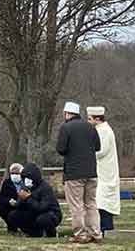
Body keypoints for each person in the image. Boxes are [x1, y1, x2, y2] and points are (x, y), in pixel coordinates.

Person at [56, 101, 102, 243]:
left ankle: (80, 234)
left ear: (66, 113)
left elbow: (61, 149)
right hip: (91, 172)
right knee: (91, 204)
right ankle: (96, 233)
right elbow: (97, 147)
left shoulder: (66, 127)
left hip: (74, 173)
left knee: (76, 205)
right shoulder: (90, 127)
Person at [88, 106, 121, 237]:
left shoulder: (104, 131)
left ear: (97, 119)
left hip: (105, 173)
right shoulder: (101, 130)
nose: (88, 121)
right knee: (100, 202)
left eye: (90, 119)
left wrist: (87, 151)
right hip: (102, 171)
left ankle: (104, 228)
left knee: (102, 203)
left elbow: (101, 151)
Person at [6, 163, 62, 238]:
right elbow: (19, 206)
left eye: (28, 178)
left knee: (43, 219)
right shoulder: (25, 187)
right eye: (24, 178)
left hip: (50, 213)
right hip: (32, 213)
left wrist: (28, 198)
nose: (26, 180)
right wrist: (20, 200)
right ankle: (33, 233)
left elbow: (42, 207)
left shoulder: (45, 188)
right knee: (13, 215)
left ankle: (51, 234)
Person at [0, 163, 24, 233]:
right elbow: (0, 197)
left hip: (23, 206)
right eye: (12, 173)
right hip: (11, 206)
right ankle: (12, 227)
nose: (14, 175)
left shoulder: (25, 183)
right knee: (1, 209)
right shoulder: (7, 183)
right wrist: (8, 201)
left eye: (17, 173)